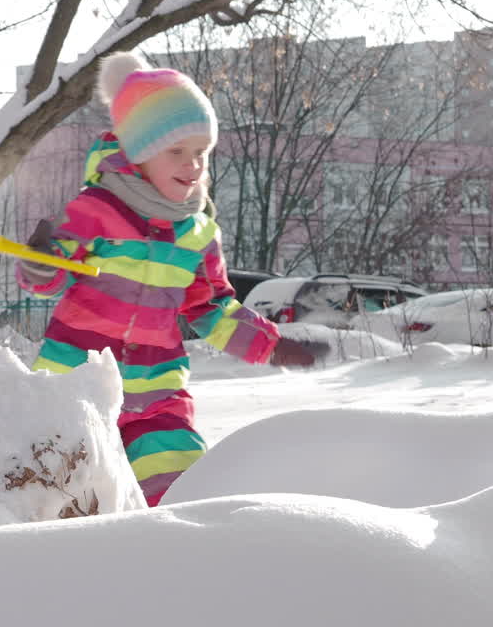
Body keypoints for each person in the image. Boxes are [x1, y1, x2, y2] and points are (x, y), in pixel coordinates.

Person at [17, 53, 323, 507]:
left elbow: (212, 308)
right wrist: (43, 261)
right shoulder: (94, 211)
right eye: (176, 151)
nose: (193, 164)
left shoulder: (197, 234)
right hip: (74, 388)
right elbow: (48, 279)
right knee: (62, 500)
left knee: (181, 494)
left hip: (156, 399)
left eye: (201, 152)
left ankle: (181, 548)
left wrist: (269, 345)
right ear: (139, 153)